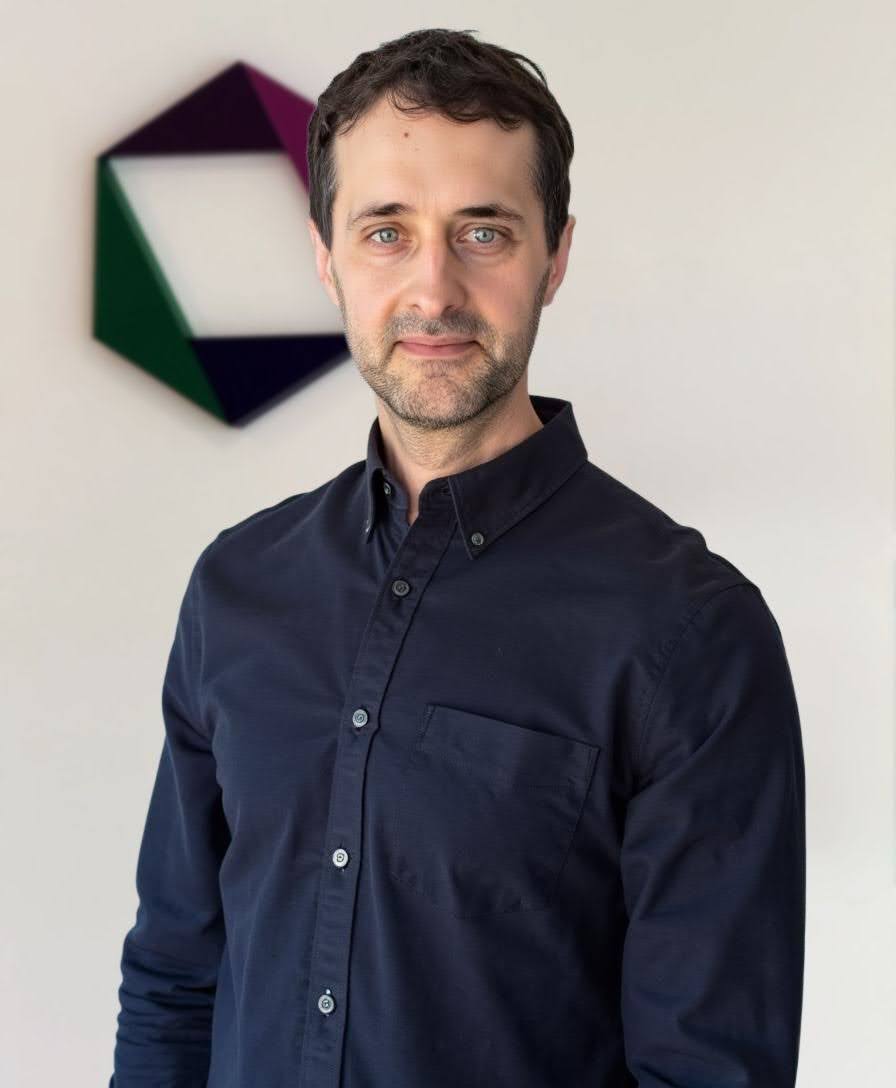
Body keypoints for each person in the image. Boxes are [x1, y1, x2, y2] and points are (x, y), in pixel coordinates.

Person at [109, 27, 806, 1088]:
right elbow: (175, 979)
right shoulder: (236, 587)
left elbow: (709, 1069)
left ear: (554, 257)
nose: (432, 291)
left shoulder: (690, 629)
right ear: (326, 257)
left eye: (483, 232)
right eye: (385, 232)